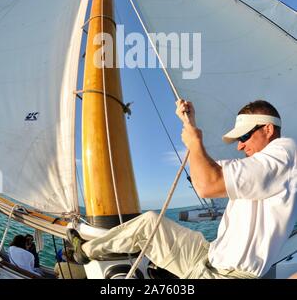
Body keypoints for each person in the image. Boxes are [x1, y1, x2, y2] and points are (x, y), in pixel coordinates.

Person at [67, 99, 297, 279]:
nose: (240, 145)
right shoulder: (260, 166)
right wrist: (190, 124)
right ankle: (85, 251)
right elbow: (202, 177)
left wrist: (195, 141)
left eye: (245, 135)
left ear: (268, 129)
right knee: (149, 224)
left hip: (227, 274)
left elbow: (208, 184)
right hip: (210, 255)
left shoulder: (283, 151)